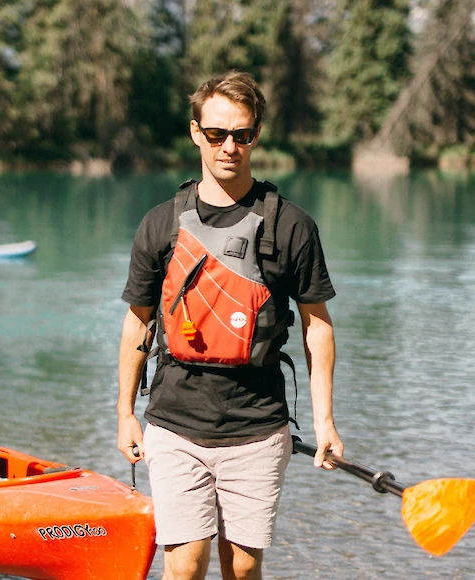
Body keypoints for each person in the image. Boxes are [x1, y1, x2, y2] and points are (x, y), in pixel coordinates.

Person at [117, 70, 344, 580]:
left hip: (257, 425)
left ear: (255, 136)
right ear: (196, 132)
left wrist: (325, 419)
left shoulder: (291, 225)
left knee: (241, 568)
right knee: (185, 563)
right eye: (217, 134)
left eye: (241, 135)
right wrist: (124, 413)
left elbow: (318, 327)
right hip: (175, 422)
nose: (229, 147)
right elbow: (137, 324)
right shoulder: (160, 223)